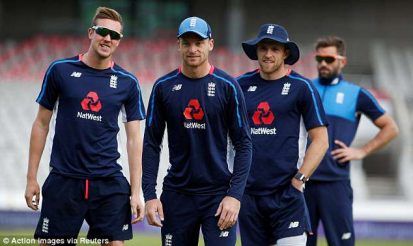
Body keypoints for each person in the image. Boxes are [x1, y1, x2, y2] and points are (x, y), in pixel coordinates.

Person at [24, 6, 146, 245]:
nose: (107, 38)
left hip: (108, 181)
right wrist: (31, 178)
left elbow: (134, 140)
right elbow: (41, 124)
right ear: (91, 32)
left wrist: (136, 191)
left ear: (119, 41)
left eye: (115, 35)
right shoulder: (60, 70)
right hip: (64, 178)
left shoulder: (128, 83)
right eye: (102, 31)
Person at [142, 16, 252, 246]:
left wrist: (235, 196)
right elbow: (152, 143)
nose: (192, 49)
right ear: (178, 45)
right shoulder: (164, 87)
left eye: (198, 43)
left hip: (219, 196)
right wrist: (150, 195)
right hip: (177, 196)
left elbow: (244, 144)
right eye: (187, 43)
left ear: (210, 44)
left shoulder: (228, 86)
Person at [237, 24, 329, 246]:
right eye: (264, 48)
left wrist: (300, 179)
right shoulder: (239, 85)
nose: (268, 54)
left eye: (275, 49)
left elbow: (321, 140)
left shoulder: (302, 87)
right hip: (248, 196)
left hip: (286, 194)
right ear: (257, 51)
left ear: (285, 53)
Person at [305, 36, 399, 246]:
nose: (322, 64)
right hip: (302, 182)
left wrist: (362, 151)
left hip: (336, 184)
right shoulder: (305, 88)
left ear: (342, 61)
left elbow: (391, 127)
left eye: (329, 59)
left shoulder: (356, 94)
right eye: (319, 59)